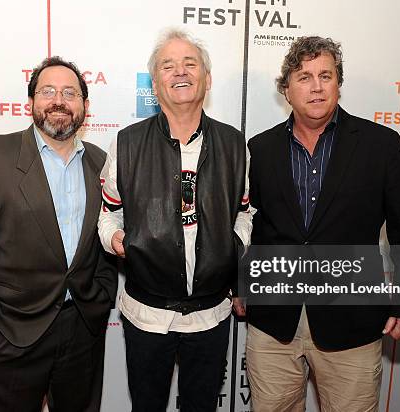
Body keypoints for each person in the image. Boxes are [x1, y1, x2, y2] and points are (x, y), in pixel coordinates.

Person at [240, 36, 400, 411]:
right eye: (304, 77)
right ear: (287, 90)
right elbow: (249, 226)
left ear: (338, 84)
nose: (315, 87)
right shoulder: (259, 149)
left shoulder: (381, 145)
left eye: (325, 76)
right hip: (273, 325)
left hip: (353, 327)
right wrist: (242, 284)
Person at [98, 29, 252, 411]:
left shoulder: (235, 145)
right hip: (146, 313)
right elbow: (109, 214)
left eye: (190, 63)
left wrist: (234, 247)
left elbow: (245, 212)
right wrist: (117, 241)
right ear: (156, 83)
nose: (179, 72)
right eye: (168, 65)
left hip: (211, 314)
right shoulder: (127, 142)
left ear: (207, 78)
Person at [0, 56, 117, 412]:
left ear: (85, 106)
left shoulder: (101, 161)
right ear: (31, 103)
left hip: (81, 332)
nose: (59, 100)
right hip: (10, 333)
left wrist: (101, 300)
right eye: (48, 91)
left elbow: (107, 236)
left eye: (70, 93)